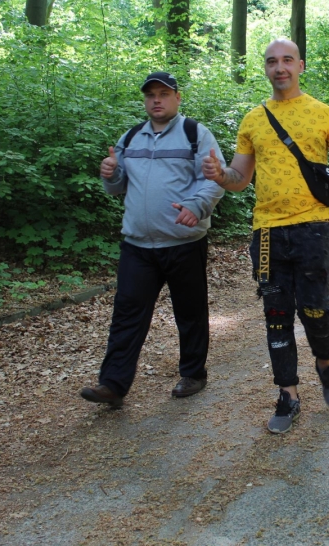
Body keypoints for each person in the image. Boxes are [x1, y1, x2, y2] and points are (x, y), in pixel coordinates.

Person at [202, 39, 329, 433]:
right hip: (266, 233)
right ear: (266, 69)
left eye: (287, 60)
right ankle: (287, 394)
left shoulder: (322, 113)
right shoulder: (253, 119)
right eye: (272, 62)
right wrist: (220, 175)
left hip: (313, 227)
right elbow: (239, 179)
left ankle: (325, 361)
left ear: (300, 66)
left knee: (314, 309)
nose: (280, 68)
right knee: (276, 314)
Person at [80, 71, 226, 407]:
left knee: (189, 312)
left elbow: (215, 180)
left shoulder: (195, 134)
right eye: (150, 95)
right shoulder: (131, 138)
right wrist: (110, 174)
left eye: (163, 93)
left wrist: (197, 205)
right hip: (138, 246)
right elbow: (117, 187)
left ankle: (193, 374)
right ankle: (113, 385)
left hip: (184, 242)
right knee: (127, 313)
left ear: (177, 97)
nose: (156, 100)